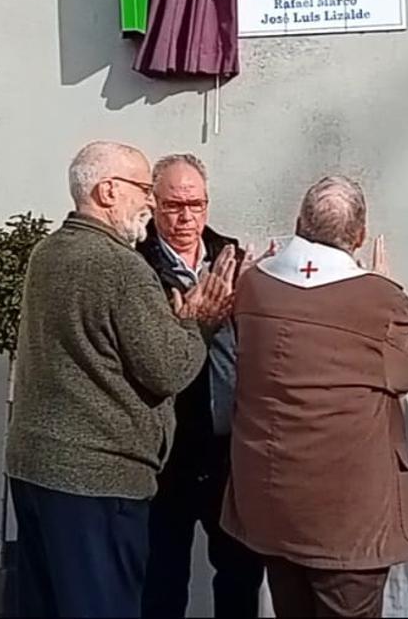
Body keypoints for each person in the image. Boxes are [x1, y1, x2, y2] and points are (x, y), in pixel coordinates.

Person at [5, 141, 238, 618]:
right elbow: (169, 369)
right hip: (97, 479)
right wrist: (198, 321)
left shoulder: (47, 252)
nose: (149, 202)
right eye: (144, 190)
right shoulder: (121, 267)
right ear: (107, 191)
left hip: (36, 469)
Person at [222, 176, 408, 618]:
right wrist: (388, 286)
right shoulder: (376, 298)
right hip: (345, 516)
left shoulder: (253, 287)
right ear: (359, 236)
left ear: (298, 222)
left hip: (270, 500)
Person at [137, 154, 264, 618]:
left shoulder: (234, 256)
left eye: (196, 204)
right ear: (152, 205)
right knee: (162, 576)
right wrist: (184, 321)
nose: (186, 216)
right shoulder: (137, 264)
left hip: (229, 446)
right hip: (166, 449)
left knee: (239, 571)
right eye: (173, 205)